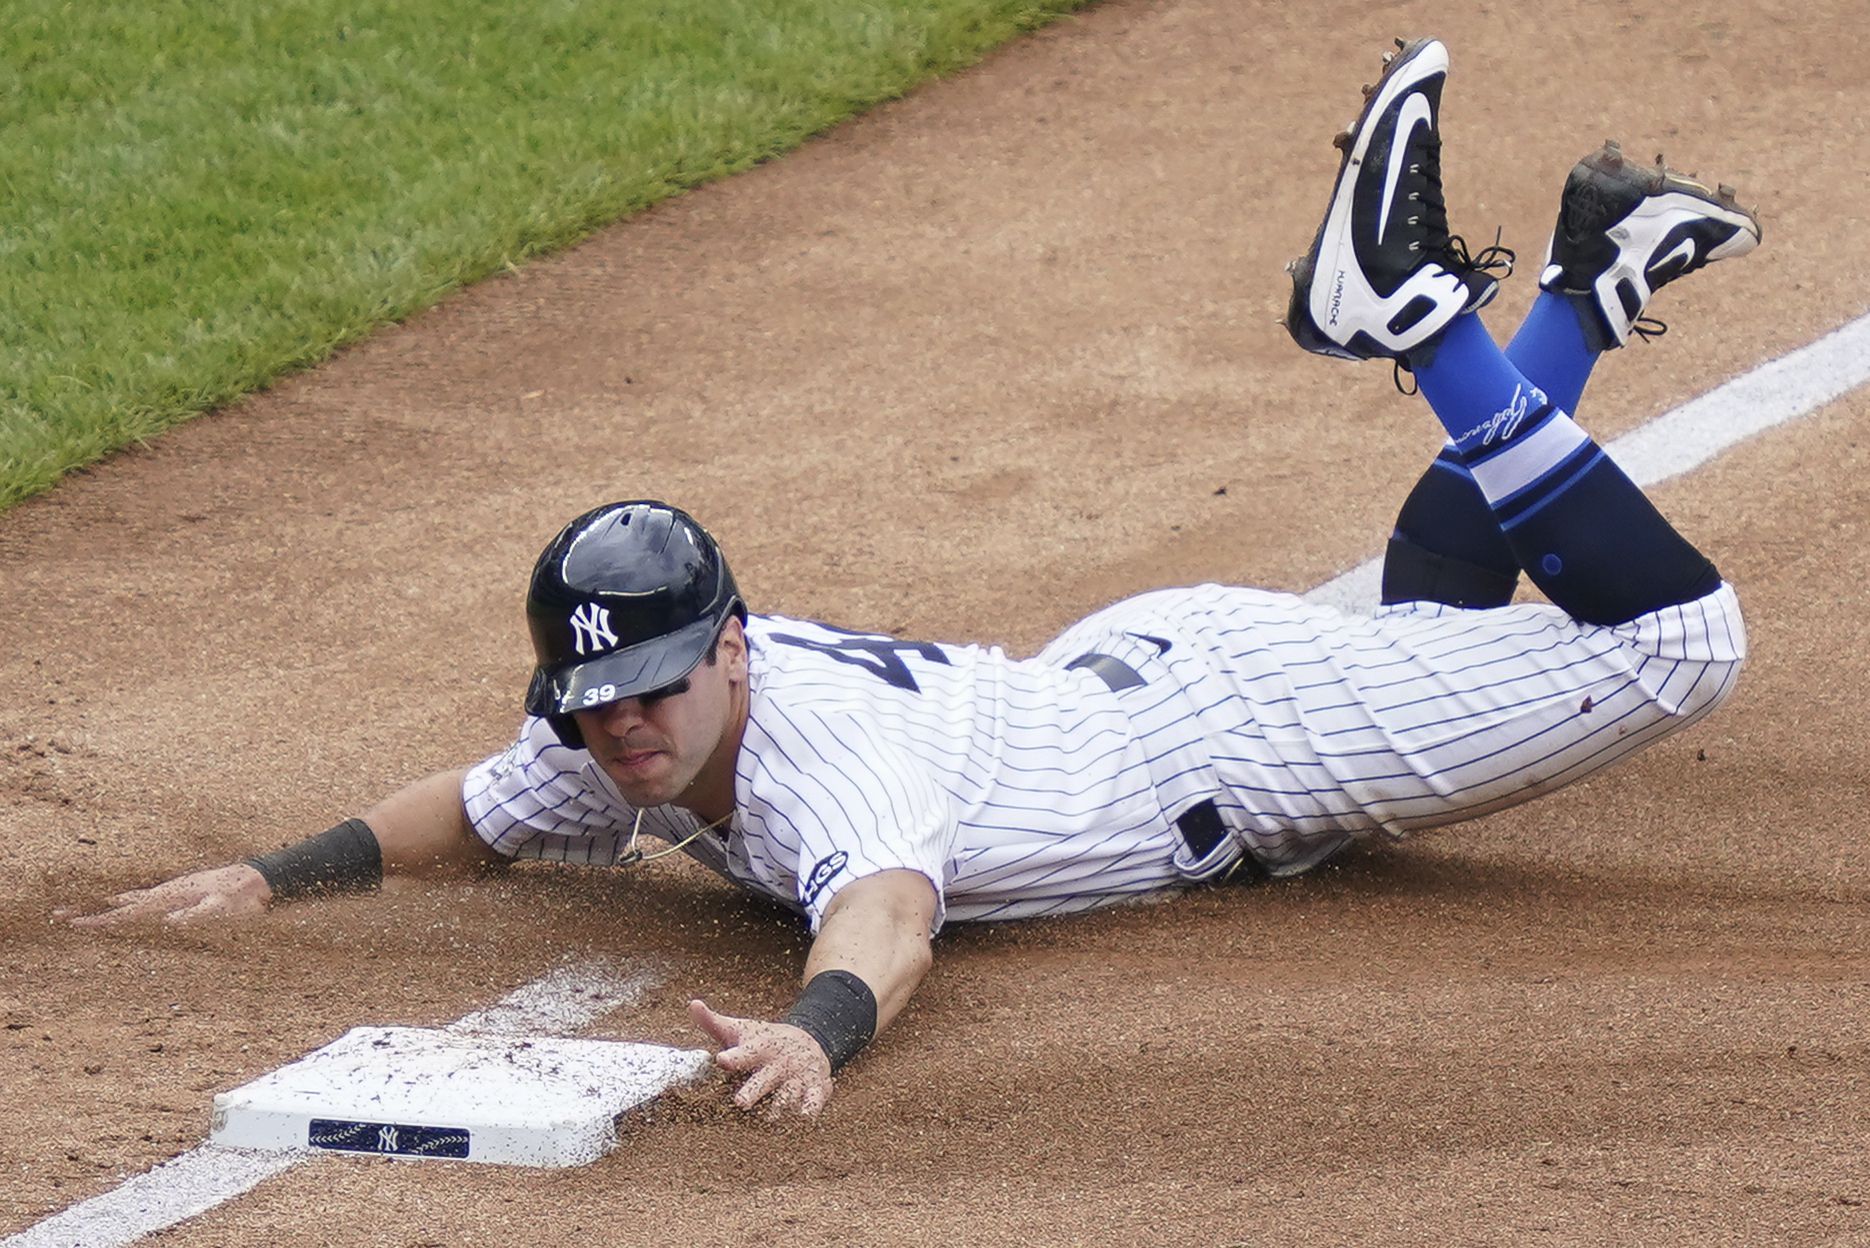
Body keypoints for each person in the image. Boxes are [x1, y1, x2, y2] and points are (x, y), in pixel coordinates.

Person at [73, 37, 1760, 1119]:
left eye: (653, 690)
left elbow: (885, 912)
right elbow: (476, 804)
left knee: (1682, 640)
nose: (625, 734)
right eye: (597, 705)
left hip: (1238, 744)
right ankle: (1584, 295)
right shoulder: (622, 717)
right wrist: (272, 877)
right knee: (1425, 642)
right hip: (1172, 680)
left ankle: (1417, 320)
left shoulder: (814, 760)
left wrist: (819, 1032)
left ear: (726, 647)